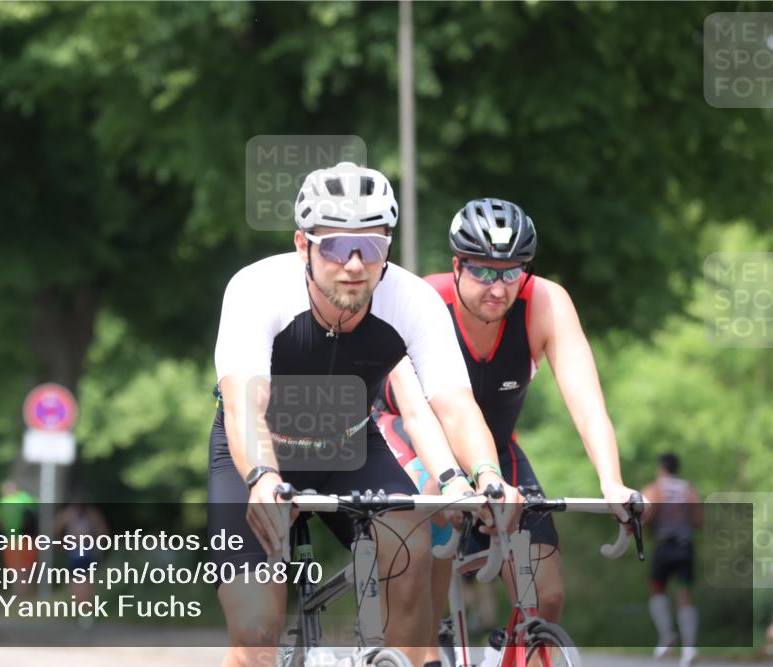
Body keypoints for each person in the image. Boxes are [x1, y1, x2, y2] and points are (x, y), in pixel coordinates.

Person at [208, 163, 522, 667]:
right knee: (255, 631)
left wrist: (487, 475)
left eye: (371, 247)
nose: (354, 263)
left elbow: (455, 405)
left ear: (387, 250)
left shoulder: (412, 300)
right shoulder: (256, 289)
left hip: (350, 445)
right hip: (256, 451)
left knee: (414, 545)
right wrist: (263, 476)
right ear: (301, 244)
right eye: (334, 246)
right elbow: (247, 404)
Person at [374, 197, 639, 665]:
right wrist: (455, 483)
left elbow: (587, 401)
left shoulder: (545, 302)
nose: (498, 287)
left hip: (495, 449)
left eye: (512, 272)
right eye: (483, 272)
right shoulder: (421, 300)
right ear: (456, 266)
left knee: (546, 595)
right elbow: (420, 411)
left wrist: (611, 480)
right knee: (431, 527)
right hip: (409, 436)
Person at [642, 453, 703, 667]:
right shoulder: (689, 489)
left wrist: (648, 529)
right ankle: (689, 649)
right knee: (685, 594)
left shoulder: (655, 488)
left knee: (657, 589)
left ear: (661, 468)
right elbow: (698, 522)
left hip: (664, 546)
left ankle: (667, 635)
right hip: (685, 545)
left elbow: (646, 514)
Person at [54, 498, 109, 608]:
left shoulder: (87, 514)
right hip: (78, 551)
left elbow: (102, 532)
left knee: (82, 581)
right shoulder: (86, 514)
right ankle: (82, 606)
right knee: (82, 581)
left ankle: (83, 606)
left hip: (83, 551)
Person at [0, 480, 38, 597]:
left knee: (15, 569)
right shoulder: (25, 498)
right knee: (27, 568)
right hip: (27, 539)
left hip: (12, 540)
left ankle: (19, 595)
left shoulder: (4, 501)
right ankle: (28, 594)